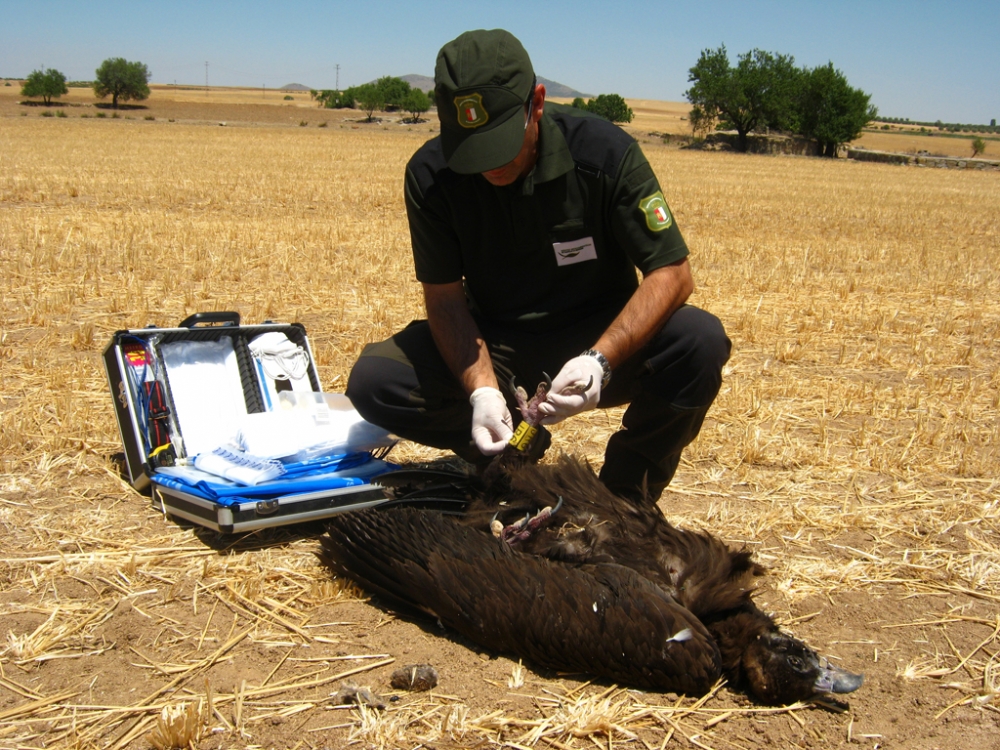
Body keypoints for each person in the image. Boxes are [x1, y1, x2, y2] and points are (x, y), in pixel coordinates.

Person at [347, 29, 730, 502]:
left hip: (600, 339)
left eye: (502, 142)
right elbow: (444, 301)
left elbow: (672, 272)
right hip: (497, 344)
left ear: (538, 103)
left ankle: (622, 500)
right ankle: (507, 460)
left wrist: (600, 361)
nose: (490, 166)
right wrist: (482, 391)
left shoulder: (605, 155)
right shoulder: (431, 176)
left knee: (699, 341)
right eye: (472, 148)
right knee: (377, 380)